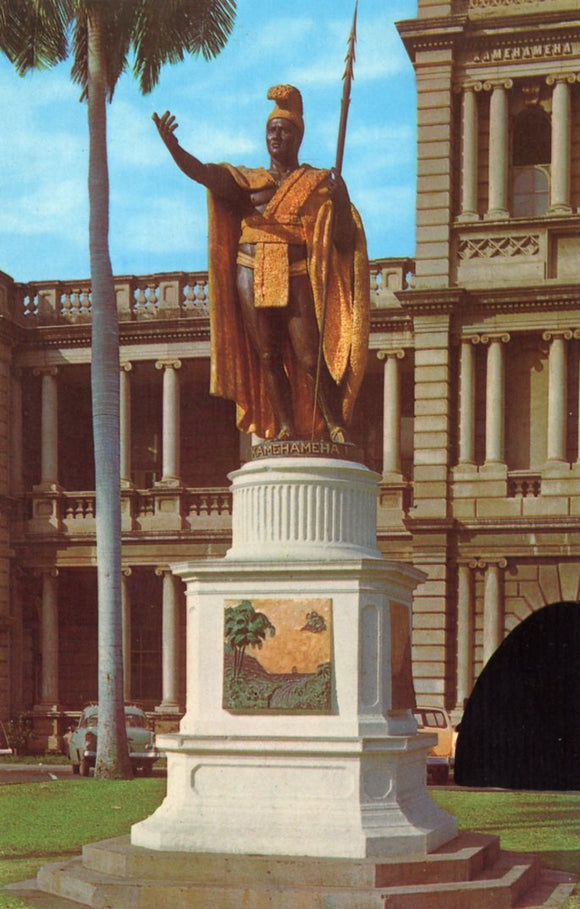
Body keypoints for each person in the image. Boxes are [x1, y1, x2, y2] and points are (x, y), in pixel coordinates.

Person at [153, 84, 369, 442]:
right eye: (271, 130)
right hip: (249, 270)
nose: (276, 136)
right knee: (267, 355)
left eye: (284, 130)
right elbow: (204, 173)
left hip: (296, 271)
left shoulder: (316, 183)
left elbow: (343, 242)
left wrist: (341, 200)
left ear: (297, 136)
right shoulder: (246, 180)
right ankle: (285, 426)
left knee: (309, 357)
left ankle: (334, 425)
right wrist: (175, 149)